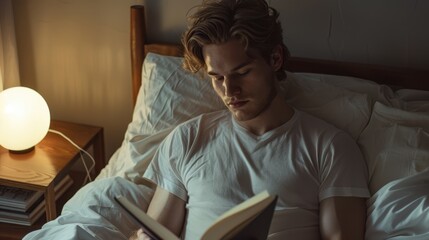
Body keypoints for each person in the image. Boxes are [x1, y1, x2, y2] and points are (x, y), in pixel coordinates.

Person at [133, 0, 370, 239]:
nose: (229, 91)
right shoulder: (187, 140)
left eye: (243, 73)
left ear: (275, 59)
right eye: (217, 78)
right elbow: (154, 232)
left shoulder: (329, 148)